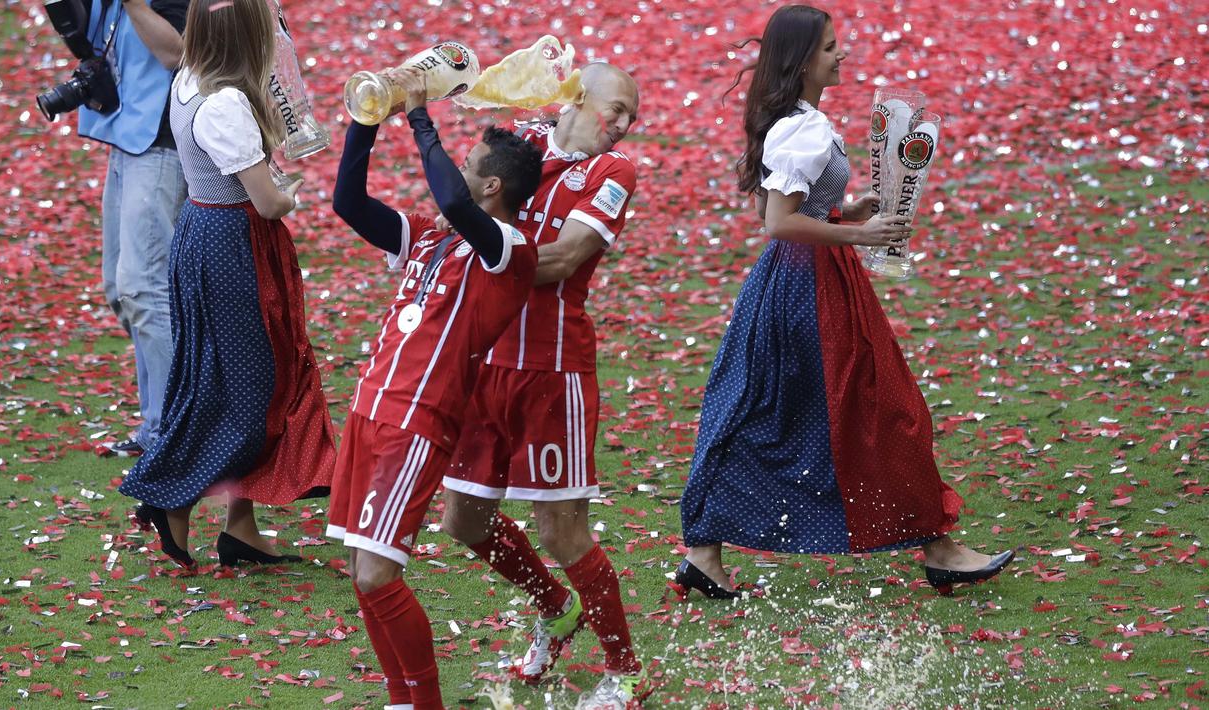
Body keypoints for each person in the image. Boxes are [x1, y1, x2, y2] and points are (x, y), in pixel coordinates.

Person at [677, 4, 1013, 600]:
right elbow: (777, 224)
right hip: (806, 290)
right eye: (831, 47)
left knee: (772, 414)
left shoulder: (796, 120)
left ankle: (705, 553)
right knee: (881, 411)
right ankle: (939, 548)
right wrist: (858, 234)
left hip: (808, 282)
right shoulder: (798, 128)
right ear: (803, 60)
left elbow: (782, 211)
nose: (842, 55)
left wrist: (843, 213)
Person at [327, 68, 543, 710]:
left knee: (377, 573)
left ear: (492, 186)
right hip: (370, 411)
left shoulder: (508, 250)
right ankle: (403, 700)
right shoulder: (428, 236)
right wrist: (363, 126)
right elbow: (348, 203)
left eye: (470, 161)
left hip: (416, 422)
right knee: (363, 577)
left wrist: (420, 119)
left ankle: (424, 703)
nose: (459, 168)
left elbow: (454, 201)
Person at [439, 63, 649, 708]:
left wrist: (476, 251)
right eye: (616, 109)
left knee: (561, 531)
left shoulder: (614, 173)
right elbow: (452, 206)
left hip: (551, 373)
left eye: (630, 119)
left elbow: (561, 258)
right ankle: (556, 607)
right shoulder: (515, 139)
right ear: (575, 98)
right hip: (484, 364)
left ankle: (625, 670)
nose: (621, 126)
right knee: (464, 521)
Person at [118, 0, 335, 569]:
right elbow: (266, 201)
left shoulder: (191, 75)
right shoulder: (227, 102)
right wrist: (292, 192)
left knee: (220, 375)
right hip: (235, 242)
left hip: (205, 232)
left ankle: (241, 526)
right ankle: (174, 496)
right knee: (251, 388)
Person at [74, 0, 189, 457]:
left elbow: (178, 54)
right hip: (126, 138)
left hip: (161, 144)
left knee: (144, 289)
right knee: (119, 290)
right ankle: (160, 424)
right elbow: (87, 43)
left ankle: (169, 434)